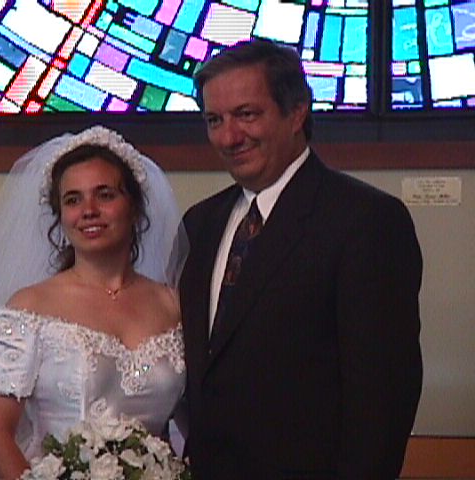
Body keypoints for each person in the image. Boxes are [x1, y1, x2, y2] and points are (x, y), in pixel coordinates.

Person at [179, 39, 423, 479]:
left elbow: (382, 398)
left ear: (296, 113)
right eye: (215, 120)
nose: (229, 137)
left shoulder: (365, 220)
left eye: (247, 114)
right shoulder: (201, 223)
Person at [0, 126, 188, 479]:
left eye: (104, 195)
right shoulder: (29, 306)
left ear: (134, 206)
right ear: (60, 216)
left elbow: (194, 419)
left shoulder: (173, 304)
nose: (88, 210)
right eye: (72, 200)